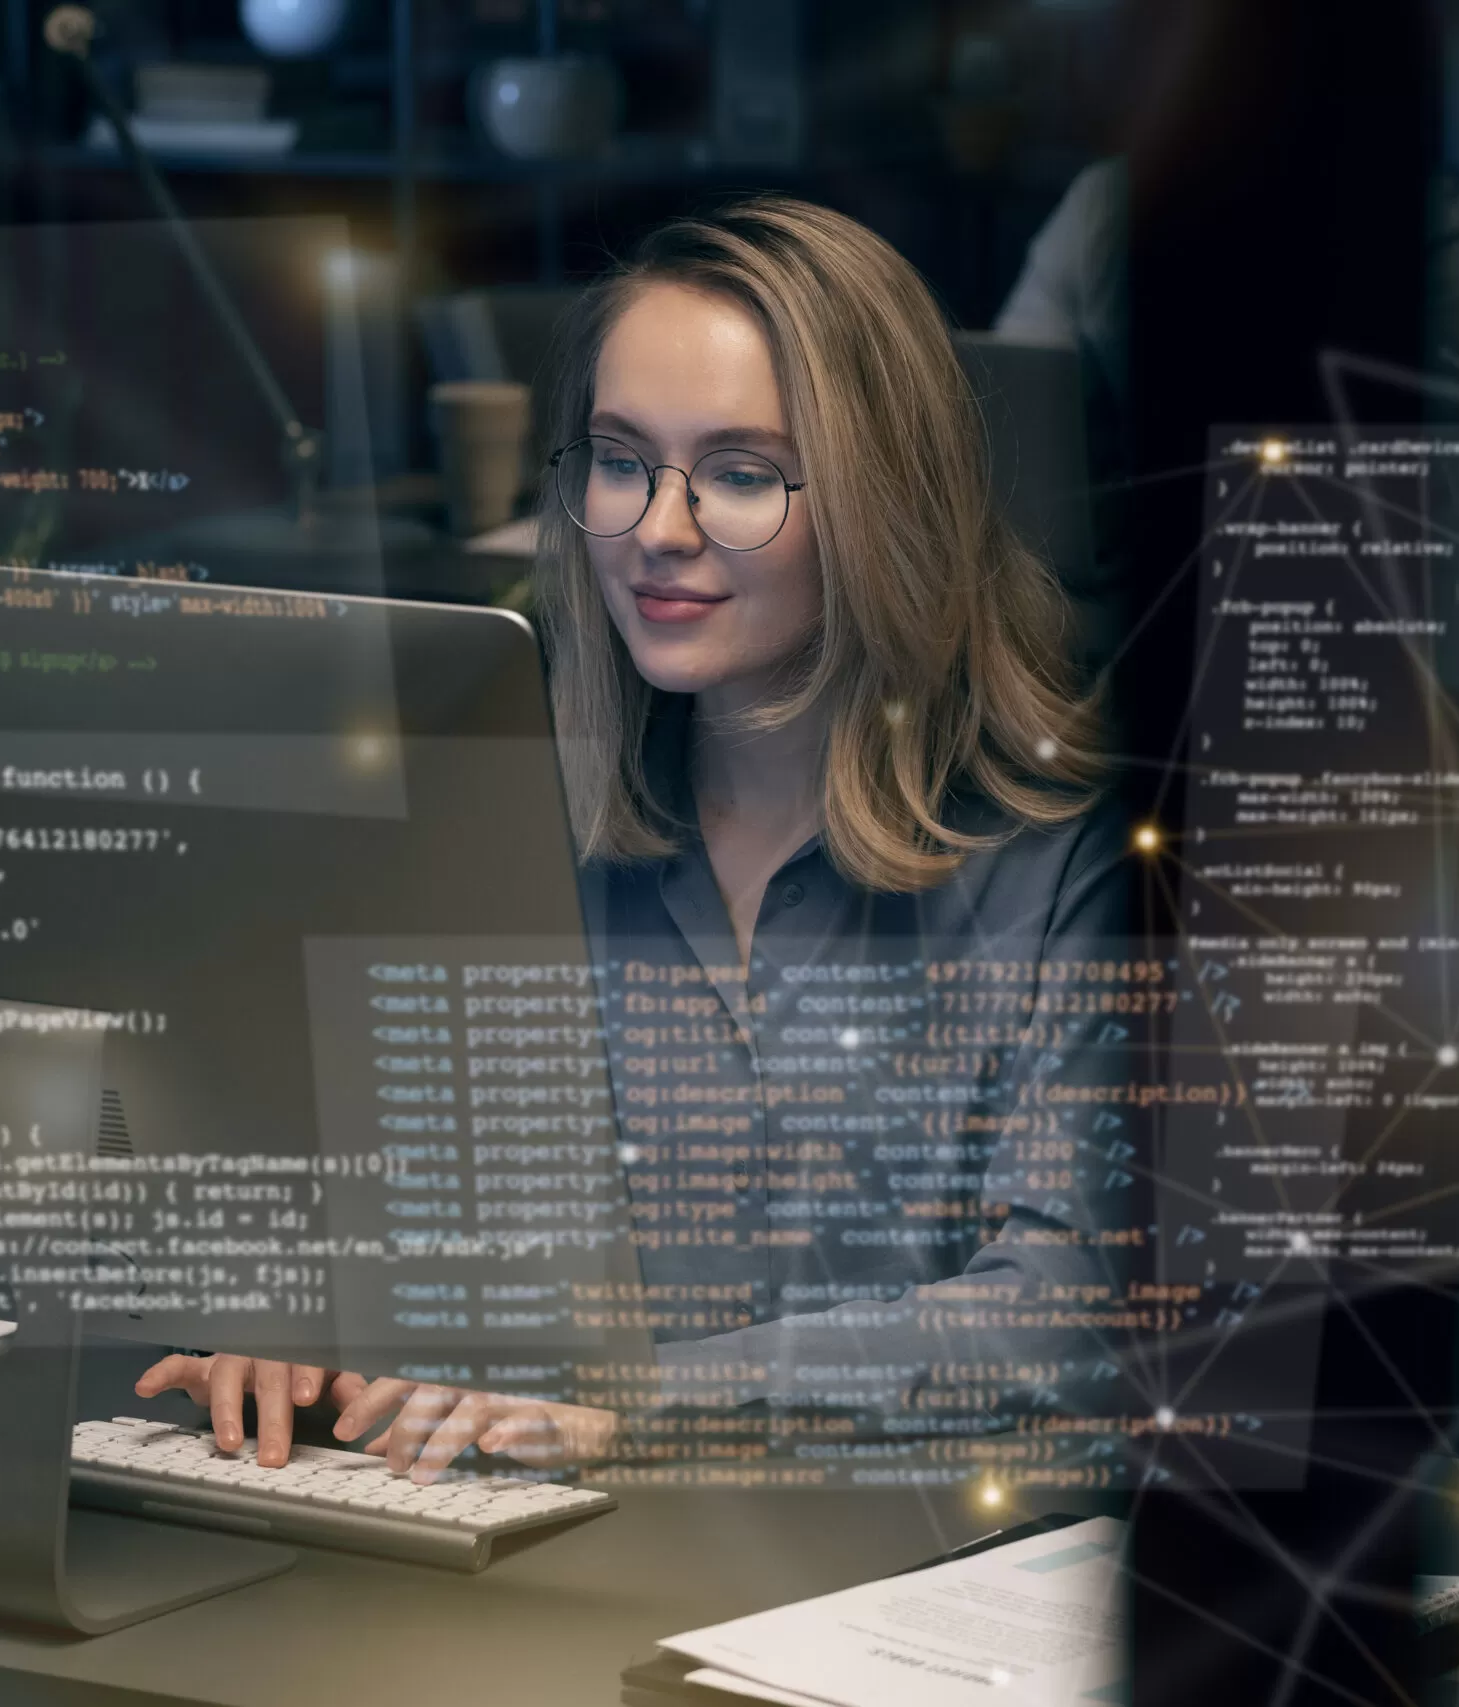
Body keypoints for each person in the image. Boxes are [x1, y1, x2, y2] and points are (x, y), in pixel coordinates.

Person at [137, 196, 1139, 1483]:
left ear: (889, 504)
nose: (657, 530)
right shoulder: (500, 818)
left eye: (739, 473)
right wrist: (296, 1317)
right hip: (521, 1555)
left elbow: (1062, 1308)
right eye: (621, 460)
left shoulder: (1072, 862)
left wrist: (636, 1402)